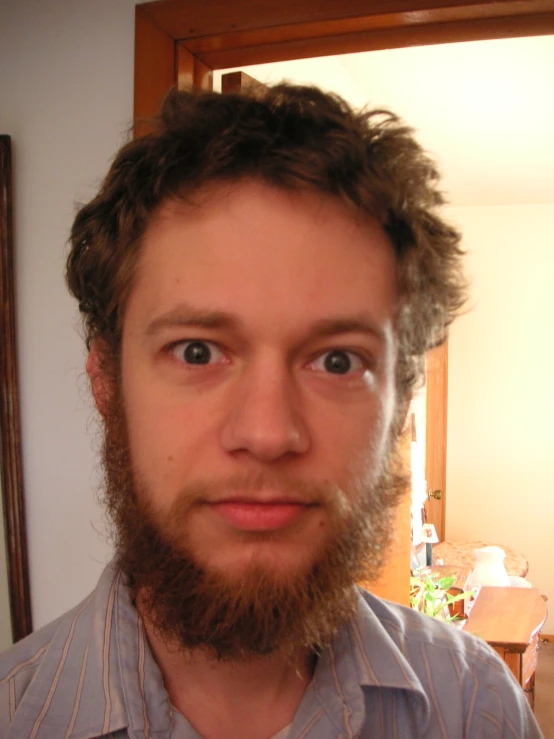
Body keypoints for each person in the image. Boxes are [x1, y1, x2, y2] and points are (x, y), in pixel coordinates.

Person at [0, 84, 543, 739]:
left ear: (400, 404)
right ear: (107, 382)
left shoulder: (476, 707)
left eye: (338, 361)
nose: (266, 433)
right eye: (197, 351)